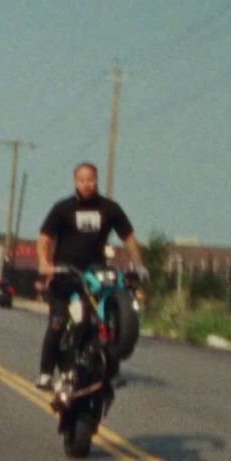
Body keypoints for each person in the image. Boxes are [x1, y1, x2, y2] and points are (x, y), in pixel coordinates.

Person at [34, 162, 145, 392]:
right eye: (82, 180)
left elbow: (129, 238)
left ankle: (111, 370)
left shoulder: (110, 208)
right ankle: (45, 372)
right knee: (57, 322)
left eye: (91, 179)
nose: (87, 184)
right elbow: (44, 238)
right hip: (65, 275)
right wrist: (45, 263)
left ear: (97, 180)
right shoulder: (62, 208)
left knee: (105, 321)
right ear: (75, 181)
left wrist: (138, 263)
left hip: (95, 273)